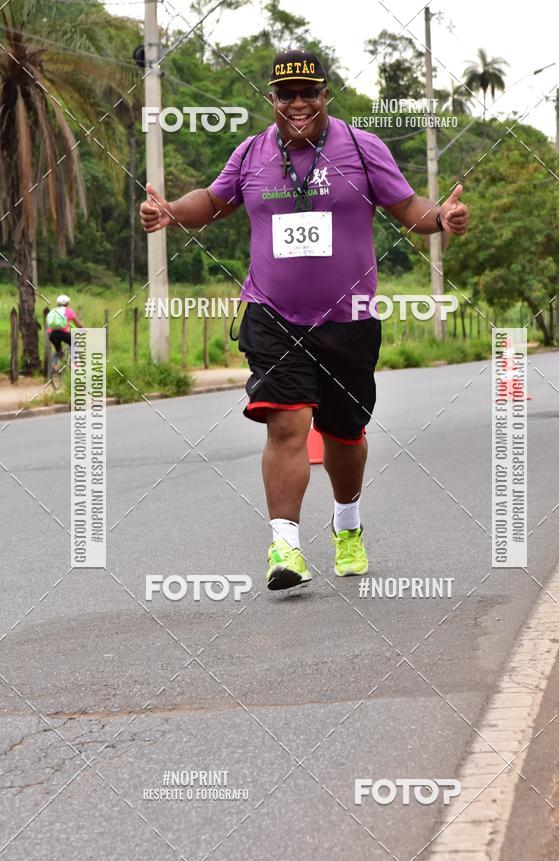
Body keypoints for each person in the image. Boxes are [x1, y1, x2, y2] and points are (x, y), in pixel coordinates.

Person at [139, 49, 470, 591]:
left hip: (349, 318)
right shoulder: (251, 154)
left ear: (325, 96)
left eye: (308, 93)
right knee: (286, 422)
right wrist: (171, 210)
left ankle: (347, 523)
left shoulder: (362, 148)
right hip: (273, 315)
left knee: (344, 435)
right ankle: (285, 547)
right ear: (271, 99)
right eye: (286, 94)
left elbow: (411, 210)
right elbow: (214, 201)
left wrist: (445, 218)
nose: (298, 104)